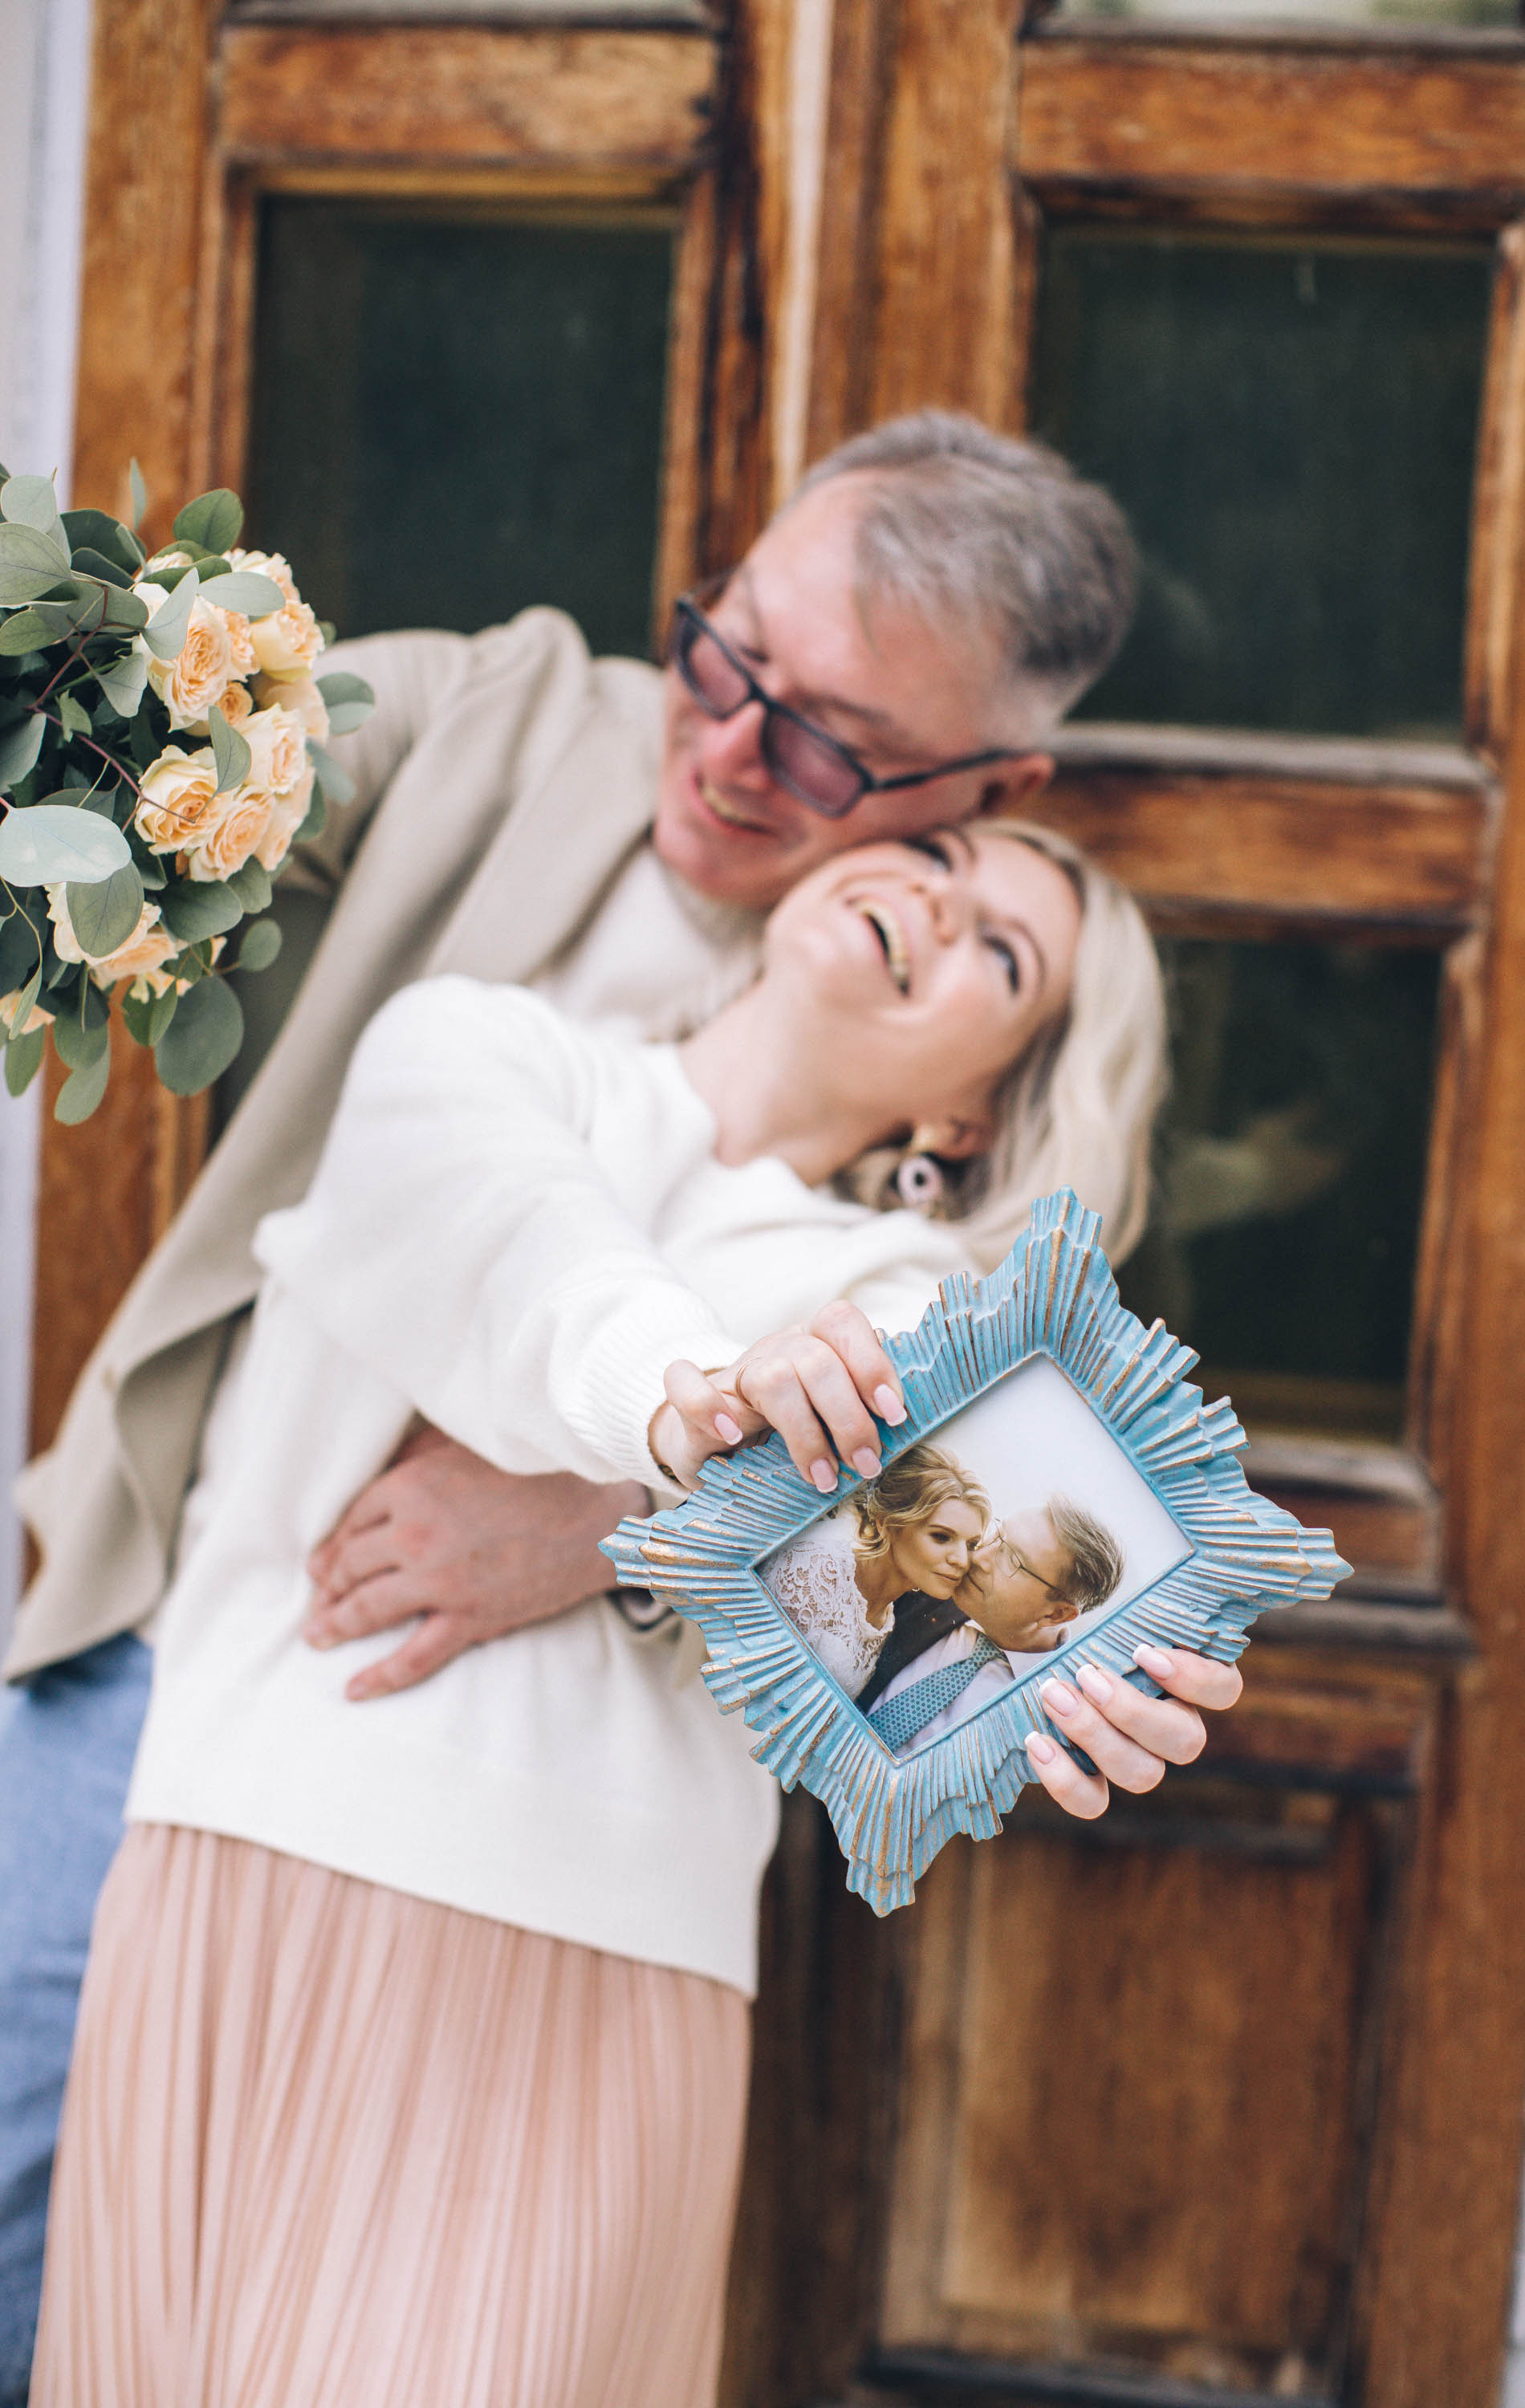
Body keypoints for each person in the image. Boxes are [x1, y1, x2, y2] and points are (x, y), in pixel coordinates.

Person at [0, 413, 1244, 2408]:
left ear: (981, 782)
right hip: (192, 1671)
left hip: (572, 1935)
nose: (729, 745)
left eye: (831, 744)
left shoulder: (902, 1281)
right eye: (724, 652)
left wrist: (1044, 1669)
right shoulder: (513, 792)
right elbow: (471, 1179)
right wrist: (93, 732)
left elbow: (1003, 1577)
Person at [864, 1495, 1124, 1754]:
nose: (976, 1559)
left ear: (1056, 1615)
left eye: (1011, 1560)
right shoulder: (929, 1585)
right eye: (996, 1536)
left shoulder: (1051, 1719)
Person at [762, 1441, 989, 1693]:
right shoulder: (815, 1569)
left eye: (971, 1544)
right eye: (941, 1537)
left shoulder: (886, 1618)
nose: (961, 1559)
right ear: (886, 1522)